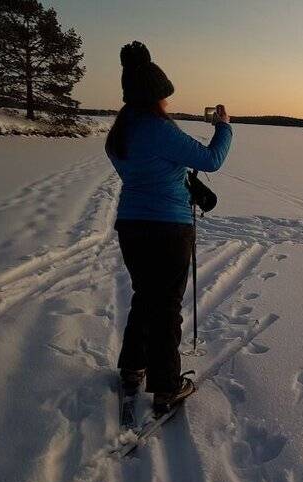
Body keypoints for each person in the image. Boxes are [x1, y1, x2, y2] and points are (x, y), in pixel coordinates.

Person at [105, 41, 233, 414]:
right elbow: (211, 159)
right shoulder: (158, 130)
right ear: (154, 97)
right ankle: (166, 387)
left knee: (145, 296)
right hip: (168, 229)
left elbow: (150, 174)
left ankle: (132, 367)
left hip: (132, 226)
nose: (167, 102)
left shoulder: (121, 132)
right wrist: (224, 127)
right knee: (166, 307)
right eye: (164, 95)